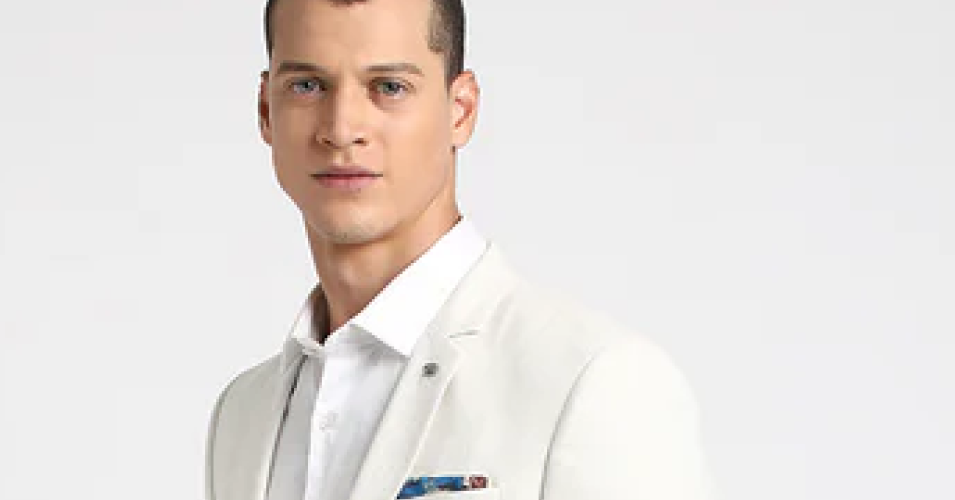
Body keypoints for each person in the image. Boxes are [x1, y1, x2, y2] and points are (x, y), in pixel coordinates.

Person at [205, 1, 709, 499]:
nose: (342, 129)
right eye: (307, 85)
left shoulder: (593, 381)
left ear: (461, 110)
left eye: (389, 87)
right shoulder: (242, 417)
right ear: (266, 110)